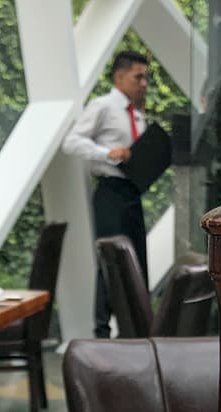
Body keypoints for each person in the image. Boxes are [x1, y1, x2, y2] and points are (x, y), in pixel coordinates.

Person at [63, 49, 153, 337]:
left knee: (136, 259)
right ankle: (100, 331)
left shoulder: (138, 115)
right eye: (138, 77)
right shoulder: (102, 106)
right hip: (110, 192)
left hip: (132, 191)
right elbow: (72, 142)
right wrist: (107, 153)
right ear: (120, 76)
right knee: (110, 258)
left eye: (146, 78)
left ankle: (137, 331)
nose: (144, 84)